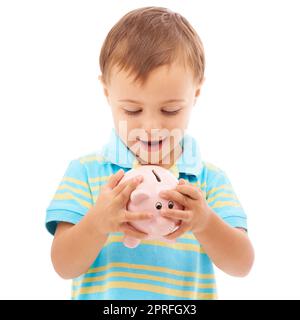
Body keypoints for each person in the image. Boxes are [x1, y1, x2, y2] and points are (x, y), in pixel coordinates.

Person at [45, 6, 254, 300]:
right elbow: (63, 265)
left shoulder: (208, 180)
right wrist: (97, 222)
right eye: (132, 110)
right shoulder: (87, 172)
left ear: (195, 93)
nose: (152, 126)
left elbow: (242, 264)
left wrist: (206, 222)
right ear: (107, 93)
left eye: (170, 110)